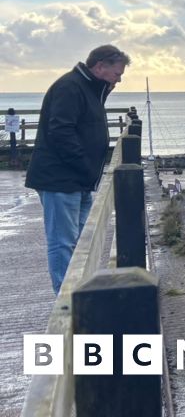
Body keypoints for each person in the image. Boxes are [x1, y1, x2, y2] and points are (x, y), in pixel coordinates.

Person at [26, 45, 130, 294]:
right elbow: (61, 131)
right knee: (63, 243)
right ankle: (68, 300)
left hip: (78, 181)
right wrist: (85, 166)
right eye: (117, 73)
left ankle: (82, 292)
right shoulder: (70, 87)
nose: (119, 79)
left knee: (82, 241)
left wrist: (87, 173)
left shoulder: (89, 88)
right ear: (100, 66)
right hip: (60, 180)